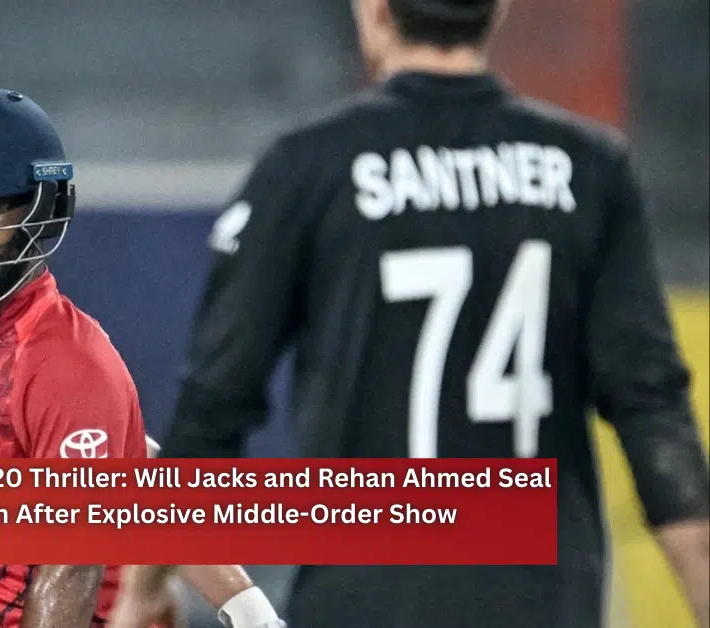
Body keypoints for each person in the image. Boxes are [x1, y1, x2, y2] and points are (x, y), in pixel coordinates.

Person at [112, 1, 710, 627]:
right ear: (498, 8)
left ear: (374, 9)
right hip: (542, 600)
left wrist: (146, 586)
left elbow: (215, 405)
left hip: (367, 599)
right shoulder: (590, 169)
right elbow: (653, 408)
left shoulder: (310, 166)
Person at [0, 86, 288, 628]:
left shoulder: (62, 361)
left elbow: (70, 565)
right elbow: (130, 463)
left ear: (40, 210)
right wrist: (244, 603)